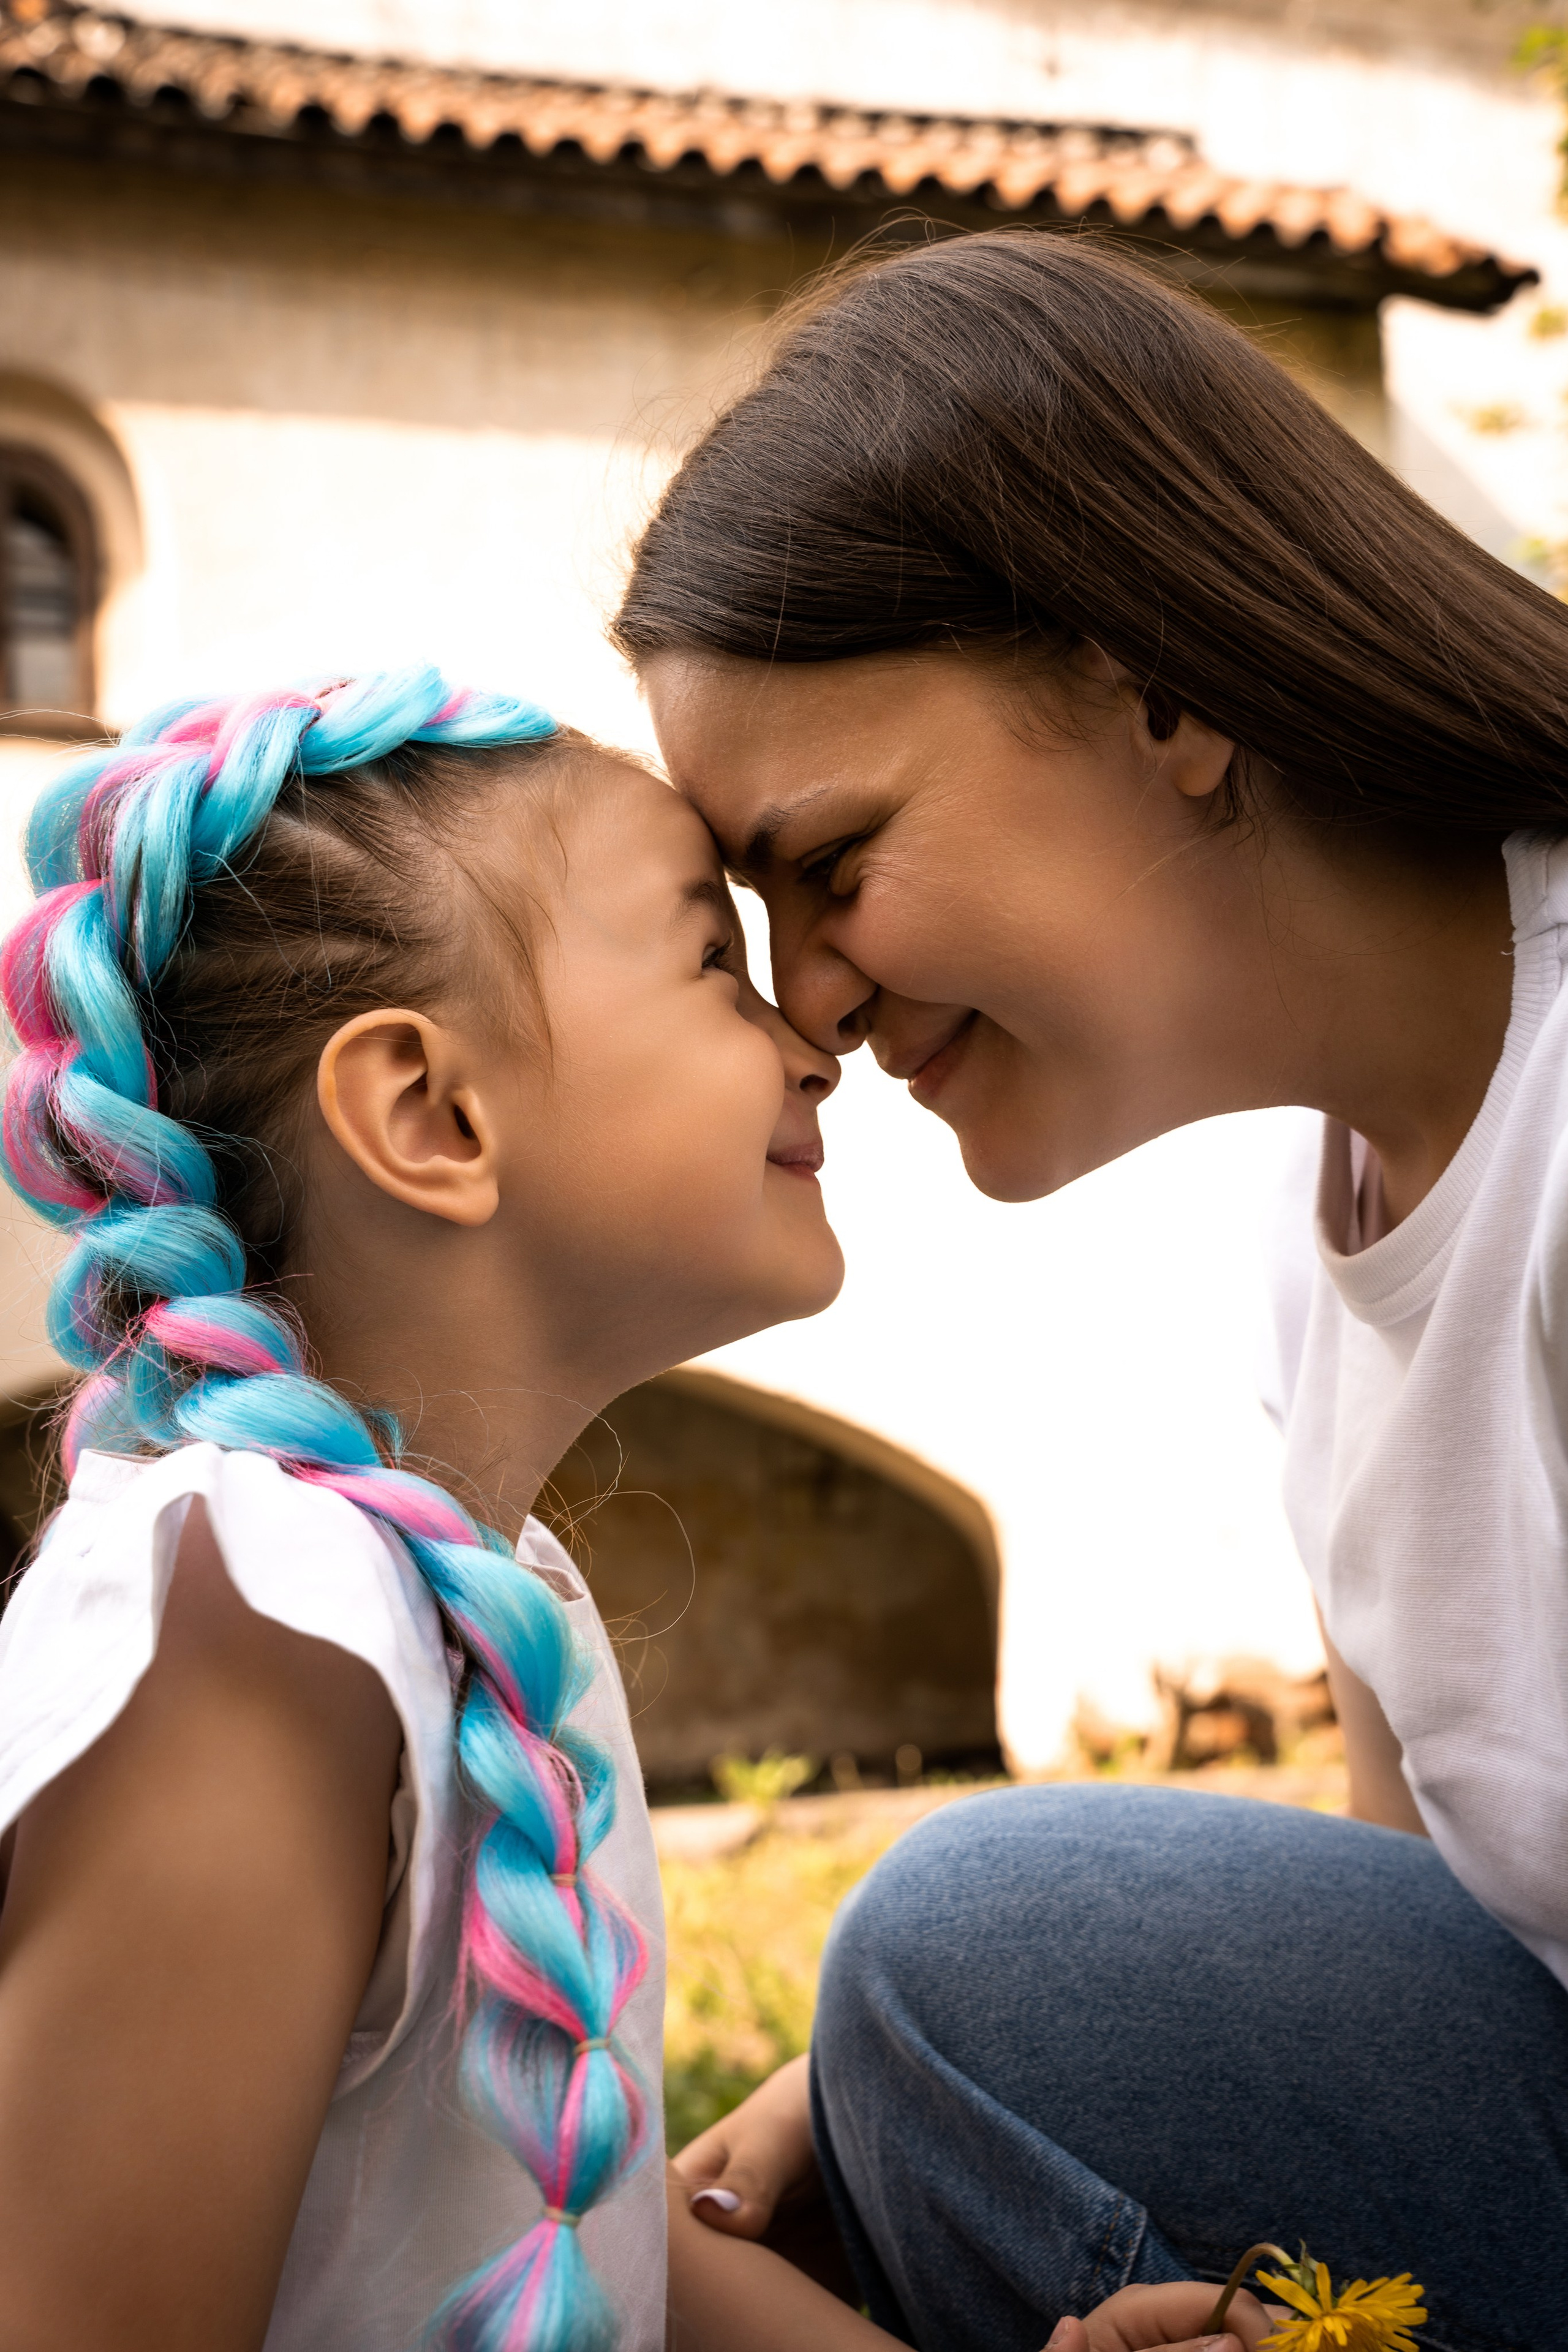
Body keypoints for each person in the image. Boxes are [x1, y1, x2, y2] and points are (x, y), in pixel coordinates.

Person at [613, 232, 1568, 2350]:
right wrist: (898, 2098)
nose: (817, 1010)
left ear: (1163, 692)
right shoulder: (1327, 1232)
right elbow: (1425, 1935)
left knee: (969, 1932)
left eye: (833, 867)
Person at [0, 669, 848, 2351]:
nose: (815, 1047)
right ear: (431, 1114)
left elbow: (597, 2258)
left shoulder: (477, 1591)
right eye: (715, 967)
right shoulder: (252, 1618)